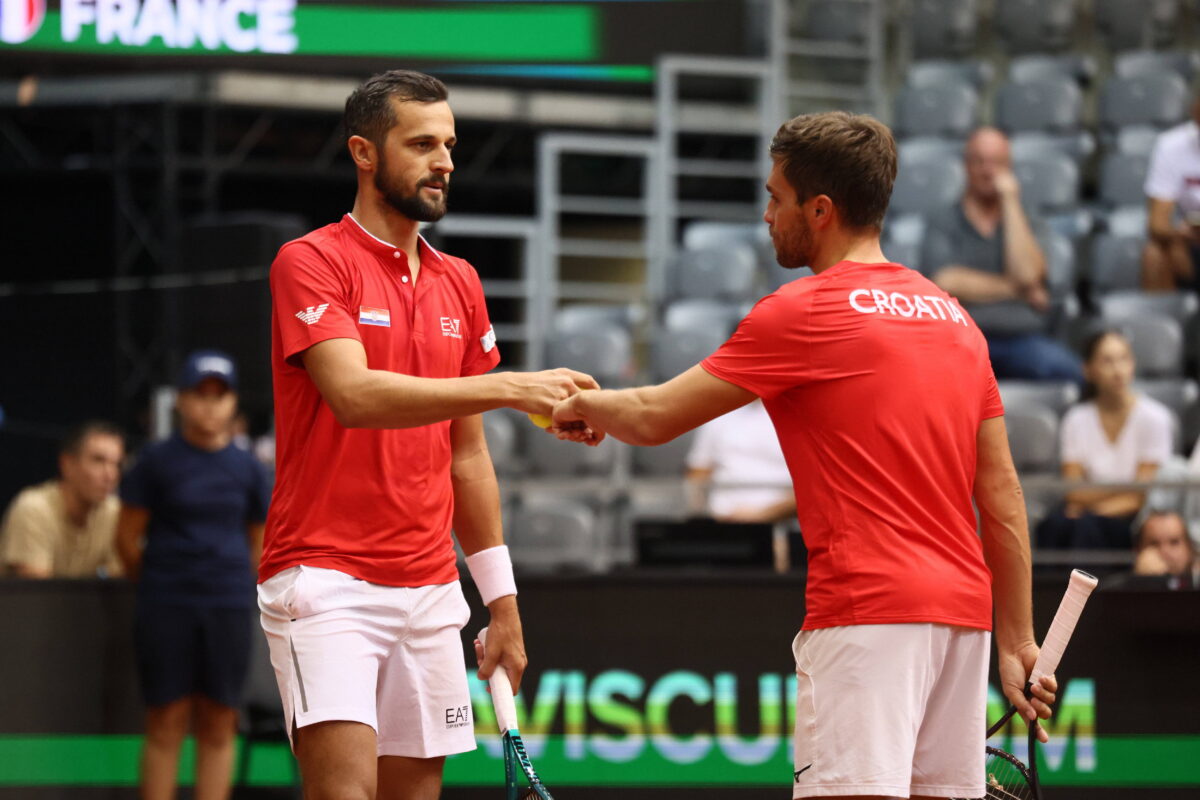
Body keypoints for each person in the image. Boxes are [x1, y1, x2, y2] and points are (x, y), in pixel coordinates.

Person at [552, 111, 1056, 800]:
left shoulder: (804, 311)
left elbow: (652, 417)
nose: (767, 216)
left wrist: (573, 401)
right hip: (962, 624)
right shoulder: (956, 319)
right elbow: (1001, 493)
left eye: (776, 198)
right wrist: (1017, 637)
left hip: (867, 616)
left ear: (819, 210)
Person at [256, 69, 598, 800]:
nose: (444, 161)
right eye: (421, 145)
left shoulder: (461, 281)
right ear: (364, 152)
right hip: (326, 580)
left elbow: (466, 458)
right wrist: (513, 387)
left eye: (449, 145)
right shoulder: (310, 262)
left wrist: (502, 605)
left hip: (431, 590)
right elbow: (353, 396)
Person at [116, 350, 271, 800]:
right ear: (181, 400)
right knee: (165, 718)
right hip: (166, 604)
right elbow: (126, 540)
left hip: (228, 605)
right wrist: (158, 580)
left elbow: (259, 544)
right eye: (200, 395)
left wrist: (232, 583)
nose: (209, 405)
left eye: (219, 396)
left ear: (233, 403)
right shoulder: (155, 461)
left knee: (221, 719)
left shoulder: (250, 469)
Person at [921, 127, 1082, 383]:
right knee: (921, 378)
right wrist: (1017, 289)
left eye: (996, 162)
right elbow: (943, 282)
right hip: (960, 339)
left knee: (1071, 372)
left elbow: (1028, 275)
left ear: (1009, 168)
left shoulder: (1029, 220)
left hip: (1022, 340)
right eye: (979, 161)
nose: (988, 171)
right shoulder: (943, 219)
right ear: (966, 166)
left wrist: (1010, 200)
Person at [1035, 330, 1174, 550]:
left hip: (1131, 520)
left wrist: (1090, 508)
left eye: (1124, 359)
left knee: (1085, 528)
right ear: (1088, 370)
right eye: (1107, 361)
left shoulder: (1155, 418)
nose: (1118, 370)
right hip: (1085, 518)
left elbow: (1138, 497)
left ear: (1133, 364)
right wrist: (1126, 486)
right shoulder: (1076, 419)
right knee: (1050, 526)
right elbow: (1073, 491)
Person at [0, 420, 124, 578]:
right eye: (98, 461)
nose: (110, 475)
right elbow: (36, 590)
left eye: (116, 464)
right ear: (67, 463)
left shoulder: (115, 512)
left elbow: (120, 581)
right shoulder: (34, 508)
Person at [685, 399, 795, 522]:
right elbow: (698, 472)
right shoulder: (719, 415)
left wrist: (764, 515)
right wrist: (701, 515)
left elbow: (809, 484)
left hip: (784, 522)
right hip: (721, 520)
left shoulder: (797, 416)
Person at [1141, 94, 1200, 291]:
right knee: (1154, 254)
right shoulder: (1171, 145)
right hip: (1193, 240)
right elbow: (1156, 223)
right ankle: (1162, 312)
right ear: (1195, 112)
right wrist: (1176, 238)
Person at [1132, 510, 1199, 589]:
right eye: (1154, 544)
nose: (1165, 551)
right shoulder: (1124, 588)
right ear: (1138, 551)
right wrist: (1141, 581)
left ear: (1189, 548)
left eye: (1174, 542)